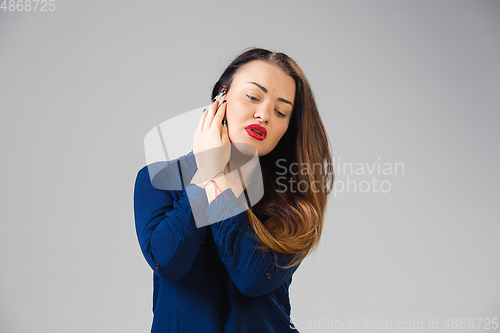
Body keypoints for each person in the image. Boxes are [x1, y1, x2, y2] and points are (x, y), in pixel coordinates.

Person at [134, 48, 334, 332]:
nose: (264, 114)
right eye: (253, 97)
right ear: (221, 96)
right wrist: (206, 174)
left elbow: (251, 276)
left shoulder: (296, 202)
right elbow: (168, 261)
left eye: (280, 111)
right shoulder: (157, 180)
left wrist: (217, 177)